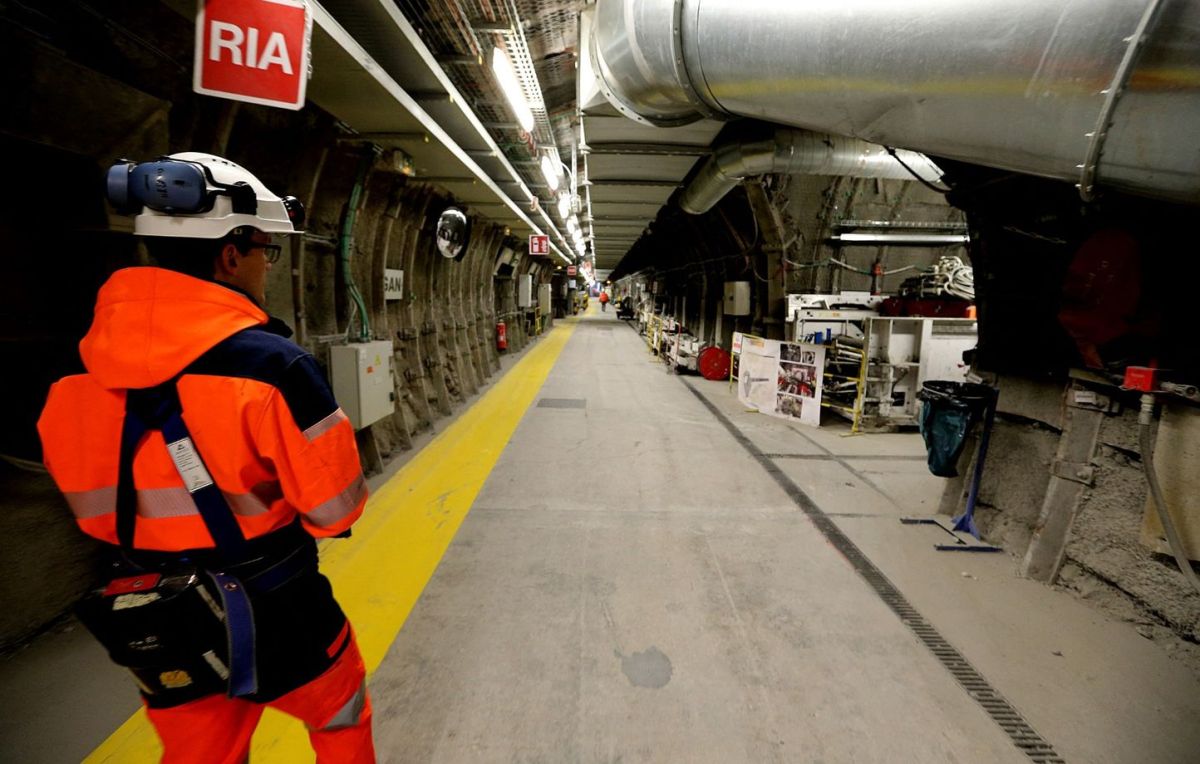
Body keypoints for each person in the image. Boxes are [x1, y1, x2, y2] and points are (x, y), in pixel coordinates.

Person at [38, 153, 375, 763]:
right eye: (267, 250)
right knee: (340, 719)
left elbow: (91, 509)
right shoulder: (274, 368)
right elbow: (335, 510)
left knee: (199, 755)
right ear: (231, 255)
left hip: (161, 609)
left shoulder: (73, 372)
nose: (267, 266)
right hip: (279, 604)